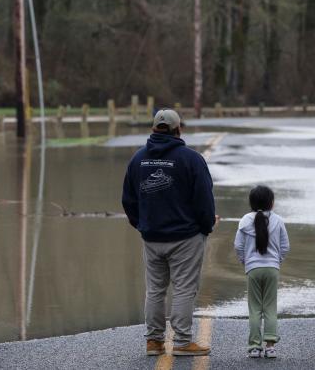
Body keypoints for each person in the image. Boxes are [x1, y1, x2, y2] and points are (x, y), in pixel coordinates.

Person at [122, 109, 216, 356]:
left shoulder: (137, 159)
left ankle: (153, 341)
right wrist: (206, 227)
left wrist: (142, 225)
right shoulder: (192, 160)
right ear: (178, 129)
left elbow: (128, 200)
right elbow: (204, 200)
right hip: (186, 237)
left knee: (155, 290)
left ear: (154, 129)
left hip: (152, 237)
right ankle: (183, 342)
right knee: (184, 289)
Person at [234, 185, 290, 359]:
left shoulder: (244, 220)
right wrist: (276, 262)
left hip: (253, 269)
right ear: (271, 203)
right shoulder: (278, 220)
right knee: (270, 308)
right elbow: (285, 246)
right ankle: (271, 347)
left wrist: (247, 263)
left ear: (251, 203)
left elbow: (238, 246)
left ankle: (255, 347)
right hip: (272, 269)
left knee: (255, 308)